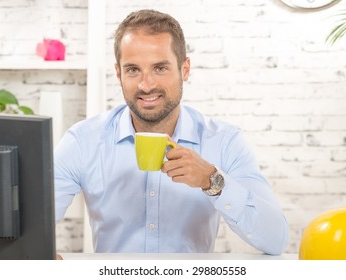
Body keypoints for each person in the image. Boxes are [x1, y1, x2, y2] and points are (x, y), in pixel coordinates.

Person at [54, 9, 288, 254]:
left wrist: (212, 180)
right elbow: (33, 225)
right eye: (133, 70)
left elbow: (275, 239)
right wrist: (40, 254)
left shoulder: (224, 141)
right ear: (118, 73)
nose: (147, 85)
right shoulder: (82, 142)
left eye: (160, 68)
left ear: (184, 69)